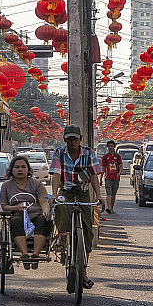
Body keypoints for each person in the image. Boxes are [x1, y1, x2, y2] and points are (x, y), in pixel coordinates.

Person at [49, 124, 105, 290]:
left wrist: (99, 197)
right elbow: (56, 174)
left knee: (87, 229)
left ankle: (84, 271)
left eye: (75, 138)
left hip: (83, 193)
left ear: (80, 139)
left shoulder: (89, 153)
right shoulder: (59, 152)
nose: (72, 142)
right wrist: (53, 194)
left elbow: (94, 175)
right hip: (65, 191)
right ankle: (63, 239)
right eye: (69, 139)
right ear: (65, 139)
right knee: (60, 209)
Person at [0, 156, 52, 270]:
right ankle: (24, 254)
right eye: (17, 167)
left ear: (28, 169)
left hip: (35, 213)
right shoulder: (6, 186)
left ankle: (35, 255)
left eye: (23, 167)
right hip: (17, 213)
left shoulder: (37, 184)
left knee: (43, 220)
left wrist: (46, 209)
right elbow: (4, 206)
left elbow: (43, 201)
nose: (20, 170)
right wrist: (16, 207)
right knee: (16, 221)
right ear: (11, 170)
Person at [101, 140, 122, 214]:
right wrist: (101, 178)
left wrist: (119, 173)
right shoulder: (105, 157)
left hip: (116, 178)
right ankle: (109, 207)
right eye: (109, 146)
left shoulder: (118, 156)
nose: (110, 148)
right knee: (108, 193)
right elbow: (103, 168)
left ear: (114, 147)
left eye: (112, 146)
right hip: (108, 178)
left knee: (113, 194)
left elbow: (120, 165)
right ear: (107, 147)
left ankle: (111, 208)